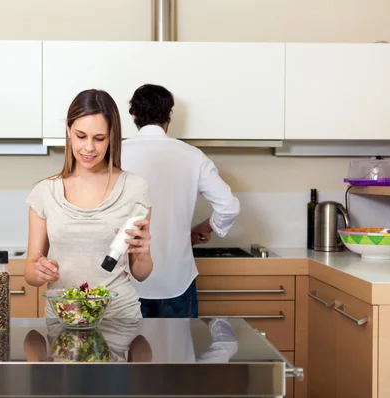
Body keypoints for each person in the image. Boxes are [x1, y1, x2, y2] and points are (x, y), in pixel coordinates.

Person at [24, 88, 154, 319]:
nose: (89, 148)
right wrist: (38, 271)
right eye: (81, 136)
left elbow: (141, 273)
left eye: (99, 138)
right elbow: (30, 271)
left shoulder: (135, 188)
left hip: (119, 317)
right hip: (64, 317)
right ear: (68, 130)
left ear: (112, 136)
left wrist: (143, 254)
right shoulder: (45, 192)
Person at [121, 84, 240, 318]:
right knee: (178, 353)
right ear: (169, 115)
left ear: (133, 115)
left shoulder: (114, 153)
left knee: (125, 353)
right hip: (177, 282)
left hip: (125, 282)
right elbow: (229, 207)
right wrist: (204, 228)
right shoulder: (193, 156)